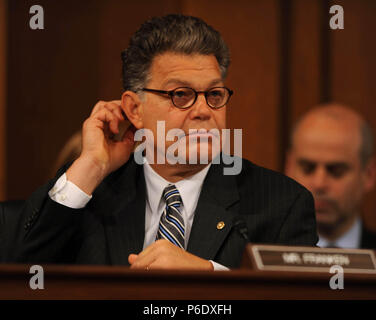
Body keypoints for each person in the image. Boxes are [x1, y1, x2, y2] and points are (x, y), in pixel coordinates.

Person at [6, 14, 317, 270]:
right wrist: (91, 166)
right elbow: (22, 275)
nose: (203, 111)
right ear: (134, 109)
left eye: (214, 95)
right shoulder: (96, 196)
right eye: (180, 95)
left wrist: (210, 276)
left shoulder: (281, 204)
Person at [285, 104, 376, 249]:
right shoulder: (252, 260)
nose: (319, 183)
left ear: (369, 175)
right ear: (289, 168)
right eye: (308, 169)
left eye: (336, 171)